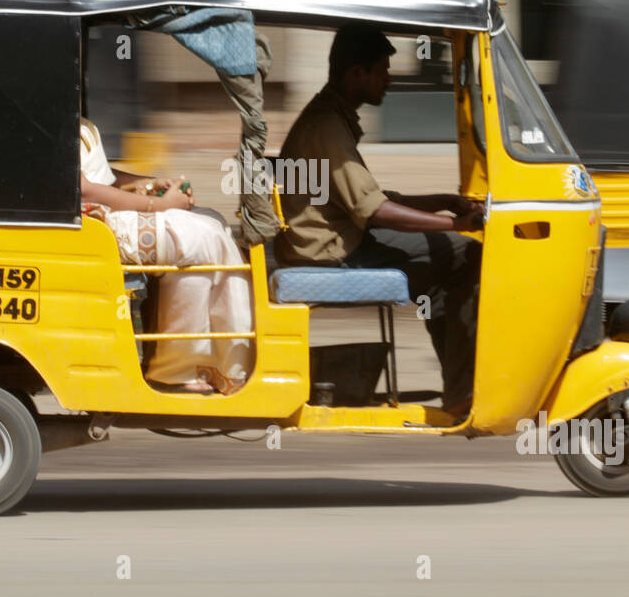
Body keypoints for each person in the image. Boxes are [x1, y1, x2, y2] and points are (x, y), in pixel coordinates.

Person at [275, 24, 482, 414]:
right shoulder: (326, 127)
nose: (388, 79)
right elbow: (375, 213)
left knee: (446, 262)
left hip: (335, 241)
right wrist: (457, 225)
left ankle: (460, 387)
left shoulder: (331, 119)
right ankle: (462, 391)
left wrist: (443, 201)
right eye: (382, 70)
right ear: (357, 73)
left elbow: (372, 199)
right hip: (330, 252)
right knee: (464, 254)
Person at [79, 118, 253, 395]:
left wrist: (146, 184)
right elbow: (83, 187)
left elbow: (99, 175)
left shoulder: (74, 112)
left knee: (212, 221)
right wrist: (158, 205)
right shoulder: (51, 109)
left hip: (105, 213)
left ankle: (213, 362)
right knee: (202, 239)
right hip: (94, 224)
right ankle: (178, 369)